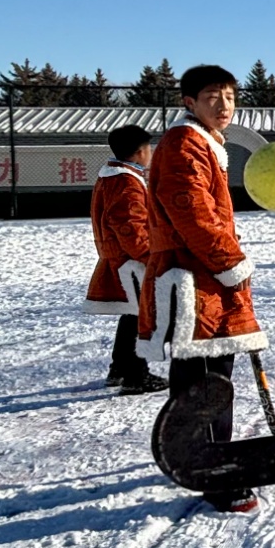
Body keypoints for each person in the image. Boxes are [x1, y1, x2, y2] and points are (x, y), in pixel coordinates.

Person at [137, 64, 267, 513]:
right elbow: (192, 212)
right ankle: (213, 470)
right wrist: (230, 262)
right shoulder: (184, 144)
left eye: (230, 96)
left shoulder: (203, 143)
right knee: (207, 380)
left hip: (204, 276)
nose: (224, 104)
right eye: (213, 95)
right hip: (195, 279)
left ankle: (192, 456)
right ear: (188, 102)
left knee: (202, 375)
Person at [84, 124, 165, 394]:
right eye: (149, 148)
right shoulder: (126, 182)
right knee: (142, 316)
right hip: (132, 262)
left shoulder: (112, 177)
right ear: (141, 152)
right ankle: (136, 375)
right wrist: (149, 255)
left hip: (121, 259)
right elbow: (129, 225)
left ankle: (120, 368)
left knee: (133, 314)